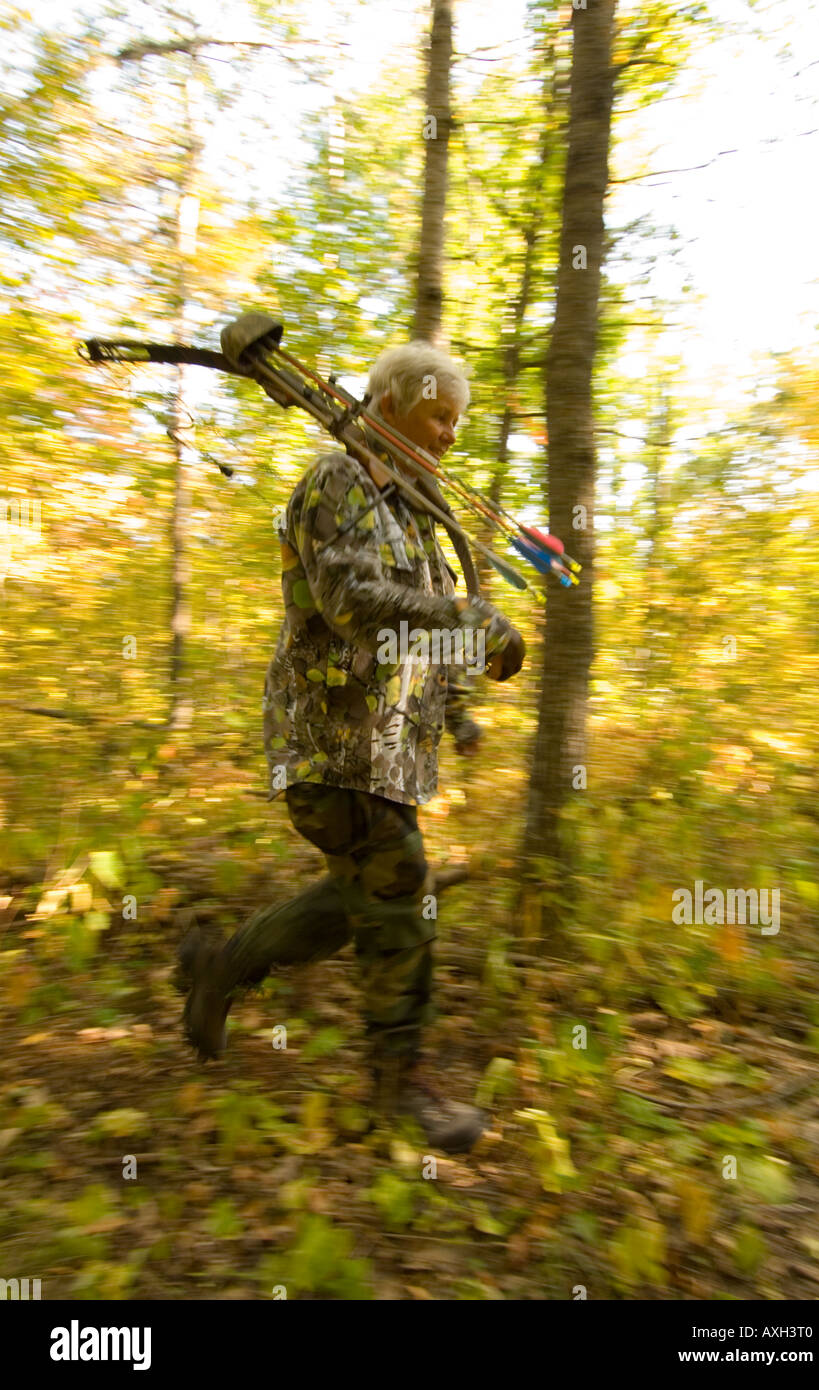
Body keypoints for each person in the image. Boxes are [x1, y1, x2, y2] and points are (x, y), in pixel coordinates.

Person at [179, 337, 525, 1154]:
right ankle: (398, 1087)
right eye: (440, 416)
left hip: (389, 753)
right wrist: (475, 622)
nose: (450, 435)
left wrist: (458, 708)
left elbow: (426, 637)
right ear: (393, 403)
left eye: (455, 422)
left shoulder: (416, 517)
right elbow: (351, 600)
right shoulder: (334, 483)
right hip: (328, 744)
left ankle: (219, 967)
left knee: (362, 896)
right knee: (400, 891)